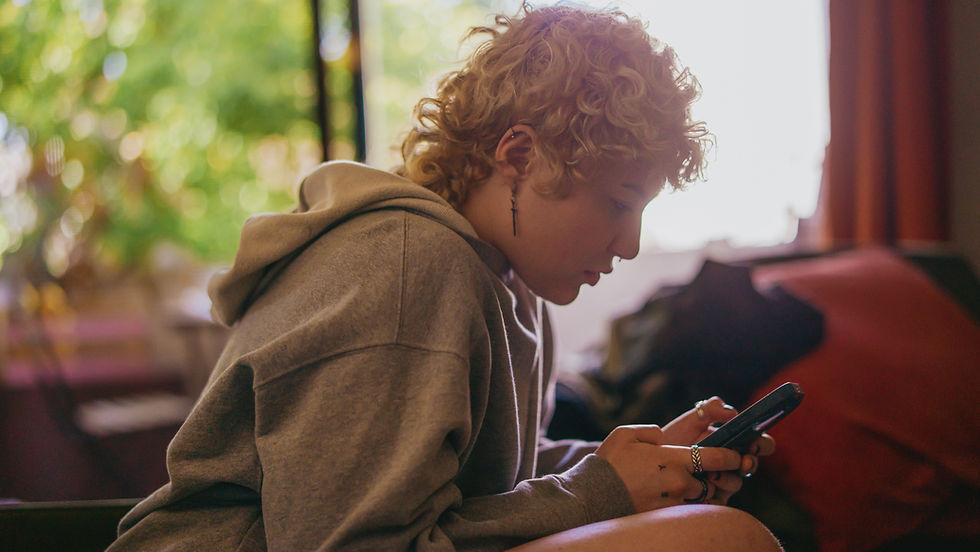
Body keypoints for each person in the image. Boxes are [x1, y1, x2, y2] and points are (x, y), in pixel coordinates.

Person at [108, 3, 782, 551]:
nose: (631, 243)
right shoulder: (404, 268)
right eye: (618, 202)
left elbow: (472, 483)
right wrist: (600, 492)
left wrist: (640, 467)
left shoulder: (509, 283)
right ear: (519, 154)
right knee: (720, 542)